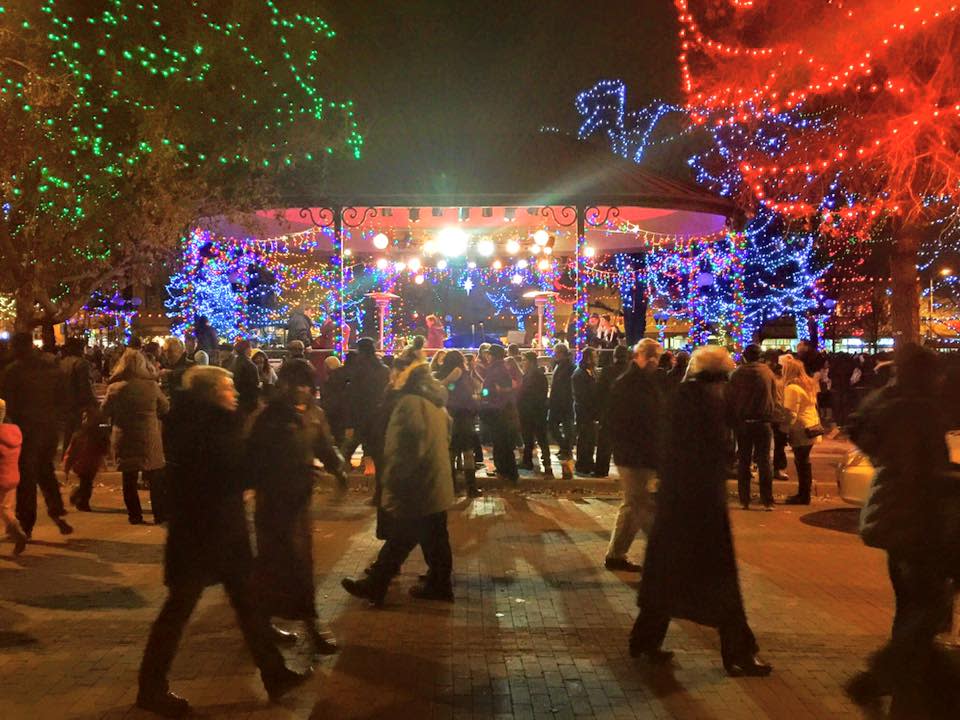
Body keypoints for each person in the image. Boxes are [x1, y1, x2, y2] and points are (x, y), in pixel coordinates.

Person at [136, 366, 310, 717]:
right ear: (213, 392)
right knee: (179, 611)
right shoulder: (211, 426)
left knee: (247, 603)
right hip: (205, 533)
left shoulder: (192, 421)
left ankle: (274, 673)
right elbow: (232, 472)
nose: (234, 394)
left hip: (214, 532)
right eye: (228, 388)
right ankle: (150, 688)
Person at [630, 346, 771, 677]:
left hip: (675, 503)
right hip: (703, 505)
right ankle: (738, 652)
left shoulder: (681, 397)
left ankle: (645, 639)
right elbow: (717, 449)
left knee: (665, 575)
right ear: (720, 376)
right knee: (721, 583)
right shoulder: (710, 402)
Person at [845, 344, 954, 715]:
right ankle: (878, 678)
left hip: (895, 516)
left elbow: (868, 436)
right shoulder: (918, 409)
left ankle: (904, 681)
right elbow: (921, 470)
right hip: (917, 520)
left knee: (911, 605)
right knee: (927, 607)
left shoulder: (889, 401)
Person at [341, 348, 455, 606]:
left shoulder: (408, 404)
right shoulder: (435, 400)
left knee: (403, 537)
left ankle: (377, 584)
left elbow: (402, 450)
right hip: (434, 478)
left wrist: (392, 485)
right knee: (433, 535)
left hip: (416, 484)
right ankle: (439, 583)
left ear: (402, 373)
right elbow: (447, 435)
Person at [248, 359, 346, 655]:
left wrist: (337, 468)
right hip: (274, 503)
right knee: (277, 565)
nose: (302, 390)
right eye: (296, 383)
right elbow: (256, 459)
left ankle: (298, 621)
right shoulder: (271, 418)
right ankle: (281, 622)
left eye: (307, 383)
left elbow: (324, 446)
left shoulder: (314, 414)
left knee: (300, 565)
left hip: (298, 503)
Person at [0, 333, 72, 538]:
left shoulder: (13, 371)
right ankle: (56, 509)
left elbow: (7, 403)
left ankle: (26, 522)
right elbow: (63, 398)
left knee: (26, 477)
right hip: (48, 427)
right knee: (45, 469)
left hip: (25, 429)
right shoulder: (51, 368)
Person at [604, 340, 665, 573]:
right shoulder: (631, 384)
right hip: (635, 454)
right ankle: (660, 553)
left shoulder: (639, 382)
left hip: (639, 453)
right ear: (645, 357)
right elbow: (622, 421)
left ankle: (617, 554)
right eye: (654, 358)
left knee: (636, 505)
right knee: (640, 504)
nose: (656, 363)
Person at [103, 350, 169, 525]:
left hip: (124, 435)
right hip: (148, 435)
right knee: (155, 476)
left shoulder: (115, 388)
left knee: (129, 478)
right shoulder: (151, 387)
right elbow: (165, 407)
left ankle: (135, 515)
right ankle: (159, 513)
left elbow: (105, 411)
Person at [728, 344, 777, 510]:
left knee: (744, 461)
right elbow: (774, 397)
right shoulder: (767, 373)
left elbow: (731, 398)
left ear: (745, 356)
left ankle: (745, 499)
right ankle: (767, 500)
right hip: (763, 421)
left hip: (743, 422)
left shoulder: (737, 374)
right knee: (764, 462)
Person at [341, 337, 390, 472]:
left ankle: (342, 468)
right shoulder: (383, 369)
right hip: (378, 411)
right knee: (375, 445)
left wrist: (350, 418)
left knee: (355, 441)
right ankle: (374, 471)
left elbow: (353, 394)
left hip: (361, 411)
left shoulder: (358, 369)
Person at [437, 350, 480, 496]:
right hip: (463, 415)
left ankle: (452, 486)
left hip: (450, 414)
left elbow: (444, 386)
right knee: (467, 451)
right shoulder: (459, 371)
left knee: (451, 451)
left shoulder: (446, 372)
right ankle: (471, 487)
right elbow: (473, 388)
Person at [780, 357, 822, 505]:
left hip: (800, 429)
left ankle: (803, 495)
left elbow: (791, 413)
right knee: (804, 462)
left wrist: (783, 430)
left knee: (801, 462)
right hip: (811, 426)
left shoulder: (792, 388)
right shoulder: (808, 385)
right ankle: (804, 493)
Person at [480, 345, 519, 483]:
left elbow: (489, 390)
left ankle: (508, 472)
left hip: (498, 410)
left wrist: (483, 396)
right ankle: (505, 470)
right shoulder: (500, 368)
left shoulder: (496, 370)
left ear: (494, 356)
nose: (487, 357)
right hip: (503, 410)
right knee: (502, 442)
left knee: (501, 442)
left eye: (489, 354)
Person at [594, 344, 631, 478]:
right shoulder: (630, 371)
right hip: (627, 412)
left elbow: (599, 392)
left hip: (609, 411)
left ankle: (601, 470)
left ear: (614, 356)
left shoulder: (607, 371)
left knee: (604, 443)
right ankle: (627, 471)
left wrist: (598, 411)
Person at [65, 408, 110, 512]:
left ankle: (78, 497)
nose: (86, 421)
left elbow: (102, 450)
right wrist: (67, 465)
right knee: (86, 484)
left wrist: (103, 463)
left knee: (86, 484)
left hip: (91, 465)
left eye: (88, 418)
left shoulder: (97, 436)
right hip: (81, 464)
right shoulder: (79, 435)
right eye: (84, 418)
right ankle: (82, 502)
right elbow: (71, 451)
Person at [517, 351, 552, 477]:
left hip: (531, 412)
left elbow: (526, 394)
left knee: (532, 438)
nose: (522, 363)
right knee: (537, 439)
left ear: (530, 362)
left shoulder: (532, 376)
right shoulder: (537, 375)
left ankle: (533, 462)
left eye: (524, 360)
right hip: (537, 411)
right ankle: (542, 463)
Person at [60, 336, 96, 455]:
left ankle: (67, 455)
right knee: (80, 431)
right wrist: (92, 404)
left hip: (65, 402)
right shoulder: (81, 363)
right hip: (78, 403)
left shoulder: (62, 363)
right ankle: (77, 457)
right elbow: (85, 386)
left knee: (68, 431)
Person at [0, 398, 27, 556]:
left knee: (4, 510)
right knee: (7, 508)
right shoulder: (13, 432)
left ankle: (18, 534)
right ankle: (15, 534)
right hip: (12, 476)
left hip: (1, 478)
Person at [548, 342, 575, 480]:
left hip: (564, 402)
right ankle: (564, 447)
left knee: (566, 426)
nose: (555, 355)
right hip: (557, 402)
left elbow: (566, 386)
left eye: (557, 352)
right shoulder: (559, 365)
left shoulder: (569, 367)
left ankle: (566, 449)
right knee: (553, 425)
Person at [572, 347, 599, 475]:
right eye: (594, 356)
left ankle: (588, 462)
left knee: (590, 438)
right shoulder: (580, 374)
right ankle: (582, 464)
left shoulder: (590, 372)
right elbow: (582, 395)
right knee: (584, 438)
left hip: (590, 411)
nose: (596, 359)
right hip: (584, 411)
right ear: (588, 358)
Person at [321, 355, 348, 445]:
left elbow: (328, 401)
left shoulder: (329, 382)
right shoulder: (346, 378)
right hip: (344, 416)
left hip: (333, 415)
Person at [230, 339, 260, 417]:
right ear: (246, 349)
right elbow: (255, 383)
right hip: (248, 399)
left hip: (238, 396)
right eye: (250, 347)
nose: (251, 350)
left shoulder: (235, 362)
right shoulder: (249, 364)